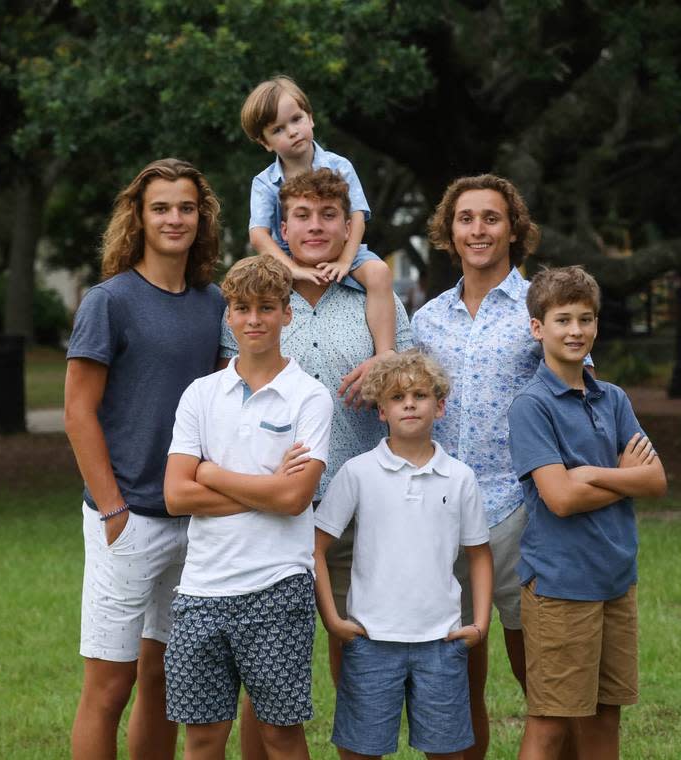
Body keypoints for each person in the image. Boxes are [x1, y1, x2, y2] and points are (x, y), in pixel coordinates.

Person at [225, 168, 413, 759]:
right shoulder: (258, 299)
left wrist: (384, 371)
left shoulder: (374, 298)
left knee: (355, 646)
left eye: (328, 216)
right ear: (282, 227)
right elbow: (229, 395)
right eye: (302, 216)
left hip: (359, 505)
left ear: (347, 225)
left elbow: (409, 392)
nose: (315, 227)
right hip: (271, 507)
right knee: (267, 660)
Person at [412, 174, 592, 759]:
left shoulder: (540, 308)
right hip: (442, 512)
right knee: (457, 678)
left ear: (514, 228)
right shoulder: (429, 318)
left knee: (538, 677)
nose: (479, 230)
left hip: (521, 508)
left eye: (492, 218)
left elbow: (580, 394)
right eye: (466, 219)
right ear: (449, 230)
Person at [64, 158, 226, 760]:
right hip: (125, 520)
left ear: (201, 217)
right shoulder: (110, 301)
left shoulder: (214, 303)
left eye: (186, 207)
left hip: (193, 519)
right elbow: (79, 411)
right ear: (138, 216)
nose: (174, 219)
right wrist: (111, 509)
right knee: (110, 683)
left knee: (161, 679)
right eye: (161, 207)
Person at [163, 254, 333, 760]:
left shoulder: (309, 397)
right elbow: (176, 495)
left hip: (277, 587)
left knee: (281, 735)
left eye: (266, 307)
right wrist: (264, 490)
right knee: (202, 737)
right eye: (241, 308)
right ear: (228, 316)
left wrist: (210, 474)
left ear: (287, 314)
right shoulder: (200, 394)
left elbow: (294, 498)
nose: (253, 319)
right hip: (201, 589)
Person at [508, 266, 667, 760]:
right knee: (552, 719)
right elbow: (559, 499)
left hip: (614, 578)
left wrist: (590, 475)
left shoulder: (612, 398)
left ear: (596, 326)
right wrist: (621, 476)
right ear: (538, 328)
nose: (575, 331)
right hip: (560, 582)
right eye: (562, 320)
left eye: (585, 319)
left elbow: (656, 480)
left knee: (605, 713)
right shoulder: (531, 405)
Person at [314, 350, 492, 759]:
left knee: (447, 752)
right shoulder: (357, 472)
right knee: (360, 752)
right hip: (371, 640)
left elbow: (479, 554)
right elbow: (316, 547)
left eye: (419, 394)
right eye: (396, 397)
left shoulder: (461, 477)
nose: (409, 403)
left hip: (441, 641)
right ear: (381, 411)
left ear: (440, 405)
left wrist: (479, 624)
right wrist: (333, 619)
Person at [241, 75, 396, 381]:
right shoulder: (264, 183)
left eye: (297, 119)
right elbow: (259, 235)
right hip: (284, 259)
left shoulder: (339, 166)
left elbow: (358, 217)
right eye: (278, 130)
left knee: (378, 273)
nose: (293, 132)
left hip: (342, 250)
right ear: (265, 142)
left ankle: (385, 353)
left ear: (310, 118)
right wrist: (291, 269)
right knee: (250, 287)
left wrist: (344, 261)